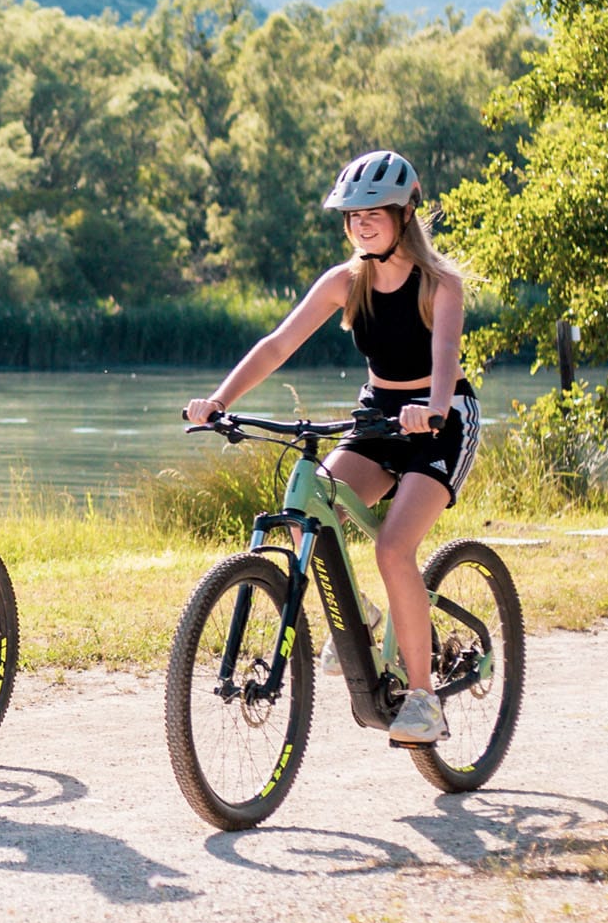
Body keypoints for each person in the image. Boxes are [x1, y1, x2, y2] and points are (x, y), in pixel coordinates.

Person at [180, 148, 479, 745]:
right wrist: (218, 399)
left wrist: (435, 407)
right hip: (378, 418)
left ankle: (424, 700)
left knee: (393, 547)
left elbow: (445, 355)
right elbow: (277, 344)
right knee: (309, 515)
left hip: (440, 422)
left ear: (405, 214)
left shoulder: (440, 282)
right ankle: (360, 618)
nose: (360, 225)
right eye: (352, 216)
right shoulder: (347, 281)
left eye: (373, 214)